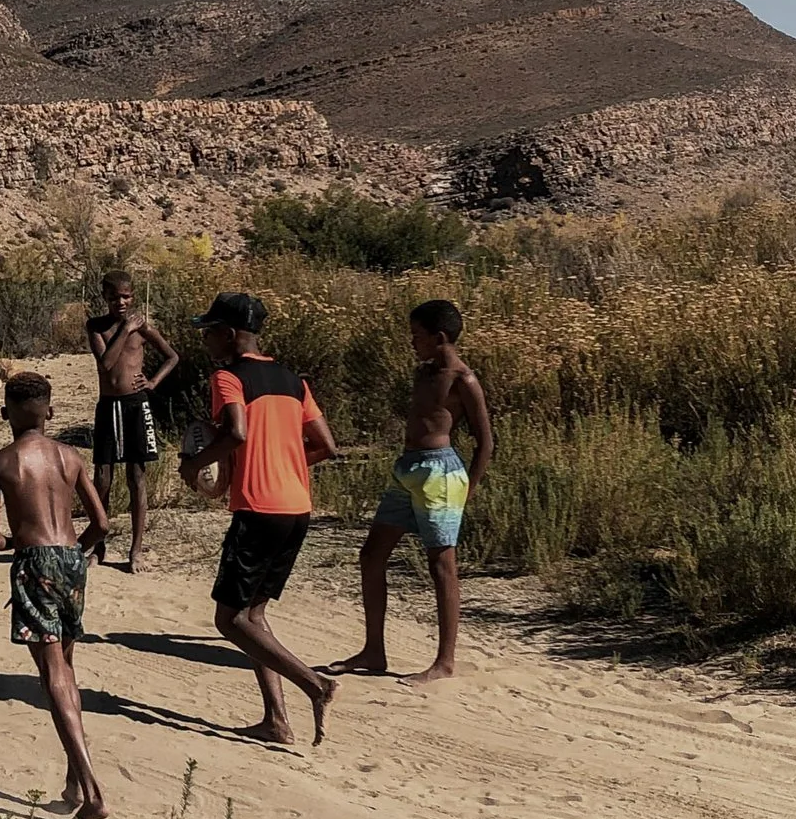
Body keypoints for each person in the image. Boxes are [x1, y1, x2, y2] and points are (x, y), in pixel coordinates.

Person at [179, 292, 339, 745]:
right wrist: (282, 464)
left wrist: (194, 466)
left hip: (259, 510)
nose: (205, 340)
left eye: (209, 332)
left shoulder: (227, 377)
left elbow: (236, 432)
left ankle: (316, 685)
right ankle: (276, 721)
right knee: (253, 616)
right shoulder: (292, 379)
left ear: (229, 334)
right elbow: (325, 445)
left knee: (229, 621)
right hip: (296, 509)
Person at [330, 299, 493, 685]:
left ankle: (445, 662)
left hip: (441, 473)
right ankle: (373, 650)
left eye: (418, 336)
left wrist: (469, 489)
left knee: (441, 565)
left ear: (440, 337)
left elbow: (485, 441)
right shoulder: (424, 373)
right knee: (371, 555)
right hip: (408, 469)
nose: (411, 342)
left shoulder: (463, 380)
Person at [0, 370, 110, 819]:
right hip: (72, 559)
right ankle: (74, 781)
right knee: (67, 669)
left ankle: (92, 791)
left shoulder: (0, 462)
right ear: (50, 412)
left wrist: (20, 540)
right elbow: (102, 523)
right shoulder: (69, 456)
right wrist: (79, 552)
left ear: (5, 414)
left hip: (34, 562)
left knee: (52, 673)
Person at [84, 270, 178, 572]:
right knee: (103, 477)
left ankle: (135, 550)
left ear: (133, 296)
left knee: (136, 476)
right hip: (108, 405)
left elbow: (172, 356)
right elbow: (106, 364)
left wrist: (153, 382)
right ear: (105, 297)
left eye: (125, 296)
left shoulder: (142, 328)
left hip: (136, 405)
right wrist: (125, 329)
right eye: (114, 297)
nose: (120, 302)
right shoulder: (97, 327)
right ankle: (98, 545)